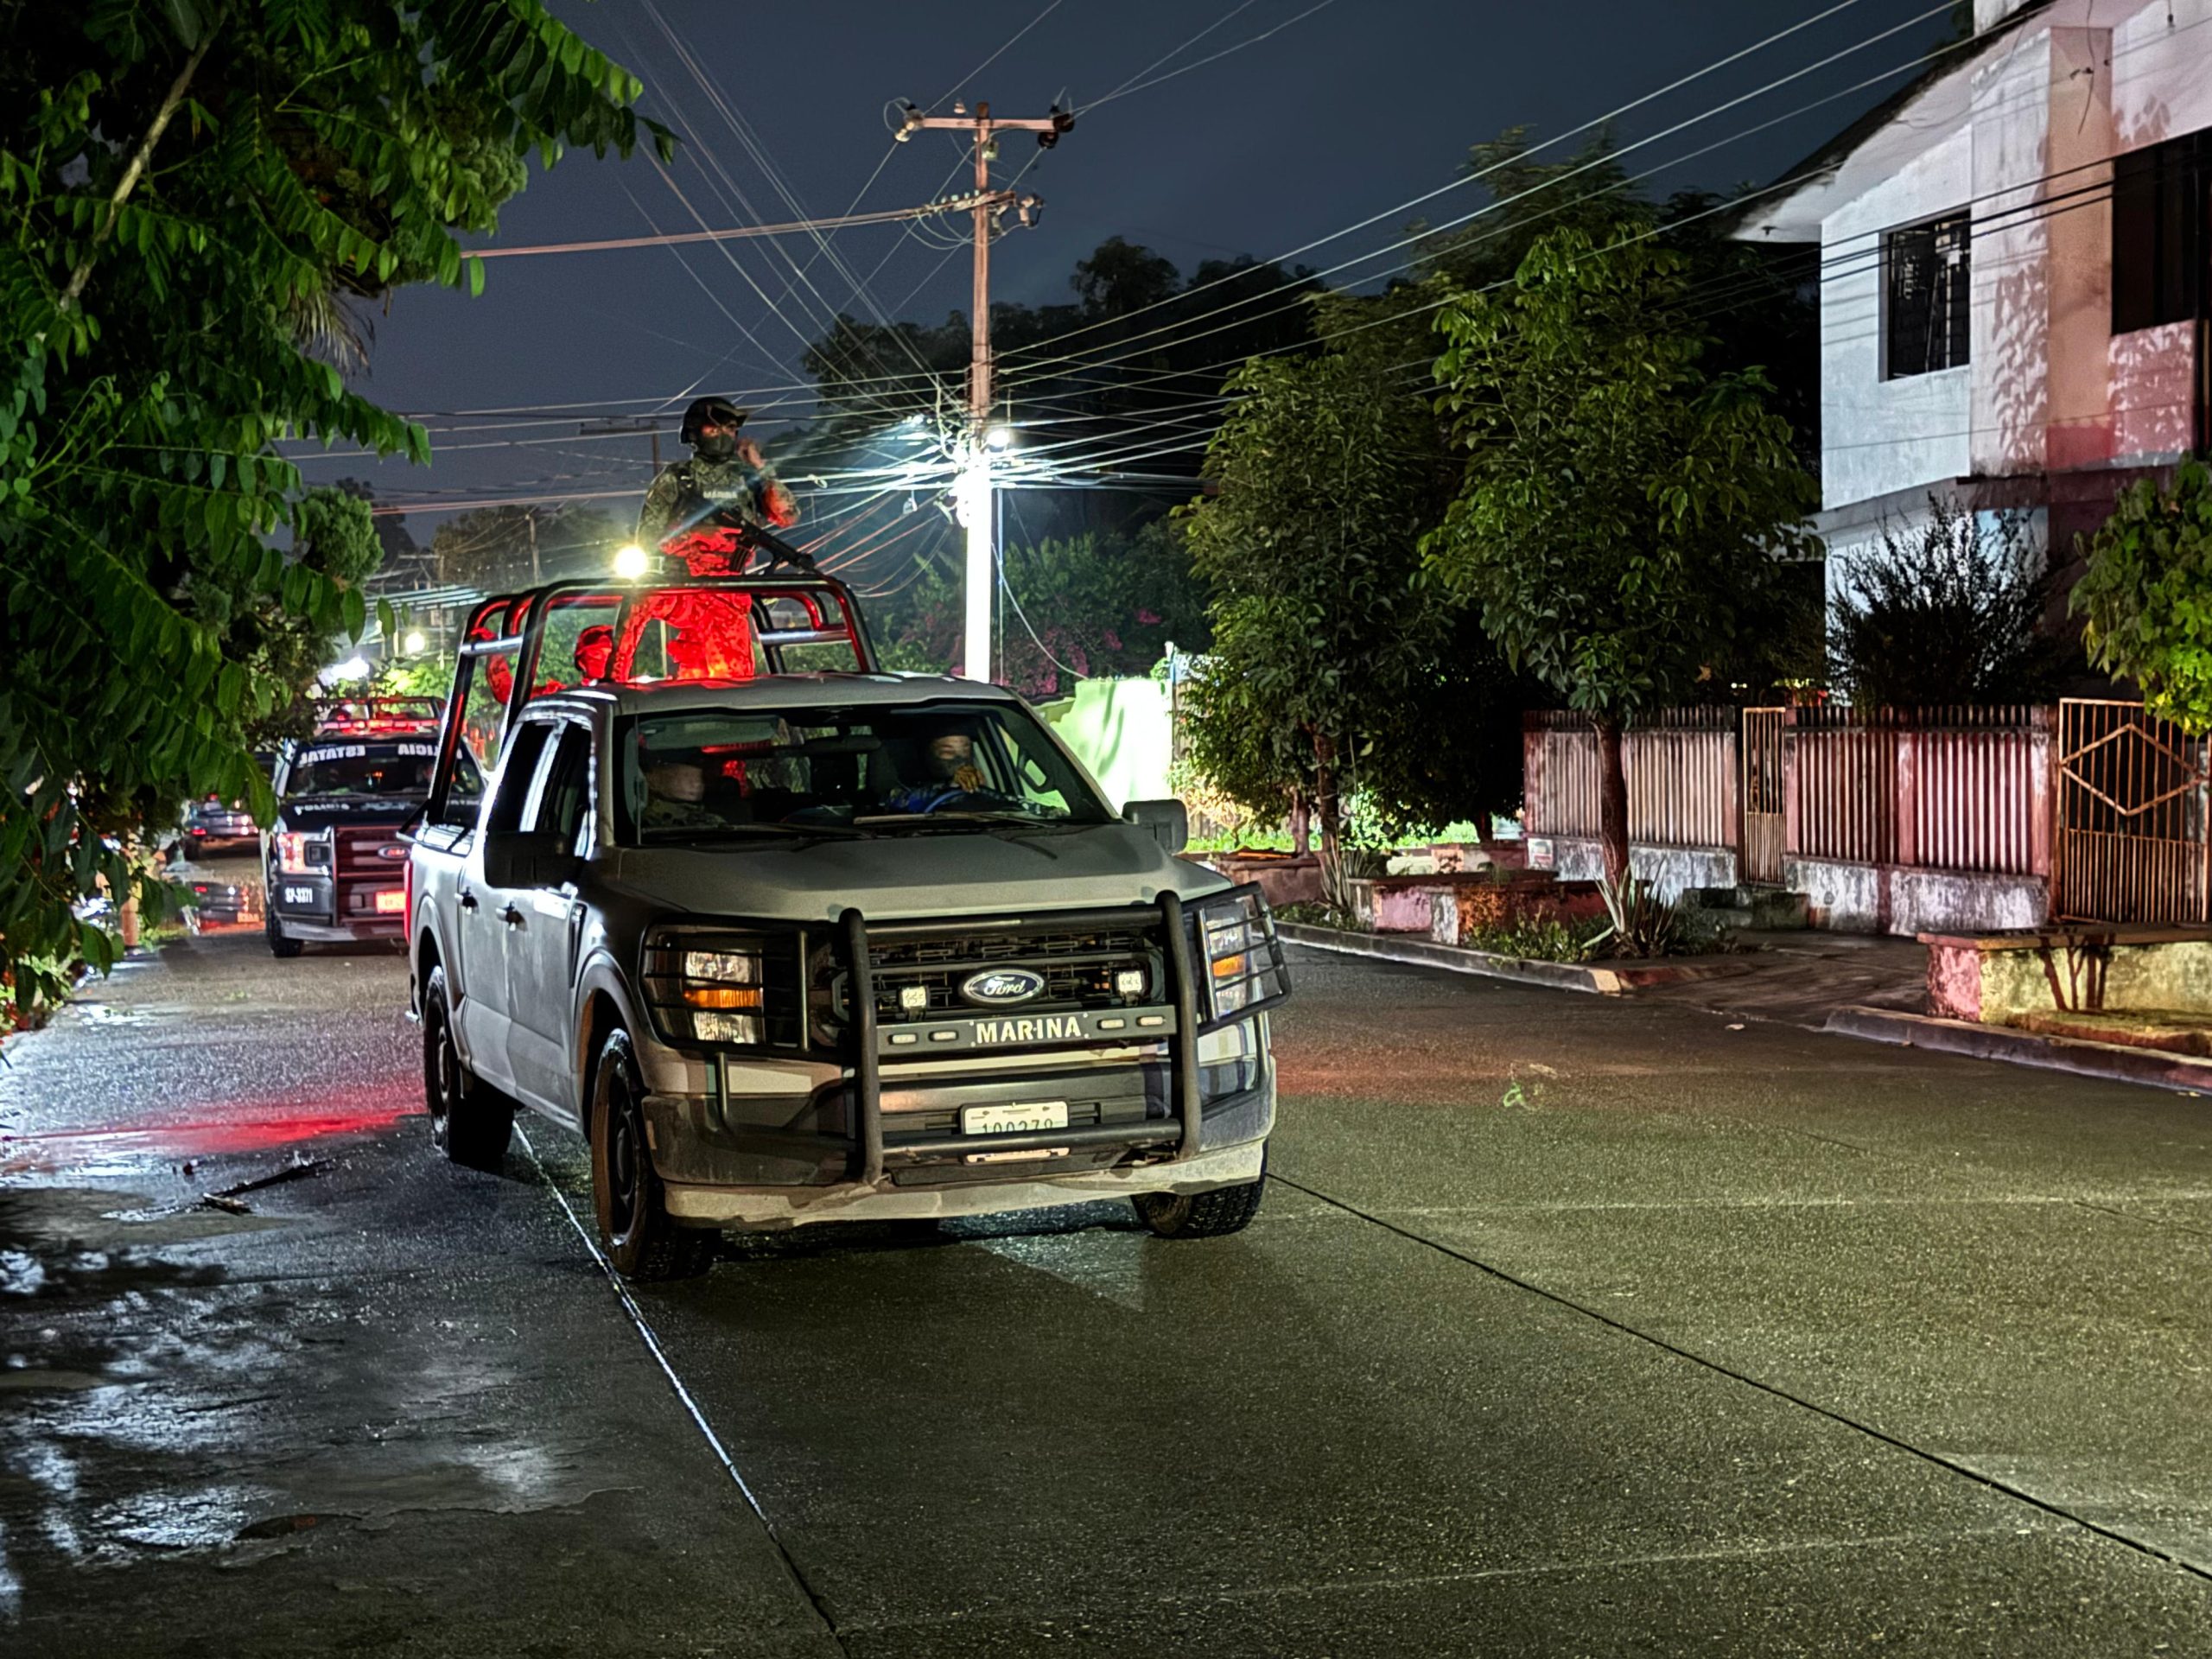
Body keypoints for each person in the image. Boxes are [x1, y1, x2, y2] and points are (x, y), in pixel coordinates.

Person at [636, 397, 799, 574]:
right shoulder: (677, 477)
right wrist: (694, 534)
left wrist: (761, 468)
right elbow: (646, 540)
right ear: (694, 432)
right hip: (683, 583)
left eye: (730, 428)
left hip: (735, 582)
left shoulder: (746, 478)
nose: (722, 434)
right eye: (713, 428)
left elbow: (788, 516)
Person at [880, 731, 988, 813]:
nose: (959, 759)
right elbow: (898, 802)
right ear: (928, 755)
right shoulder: (905, 787)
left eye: (965, 750)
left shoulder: (979, 784)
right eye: (948, 752)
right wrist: (951, 786)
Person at [640, 760, 725, 832]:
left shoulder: (651, 816)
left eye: (693, 793)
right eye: (688, 775)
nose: (695, 784)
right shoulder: (643, 757)